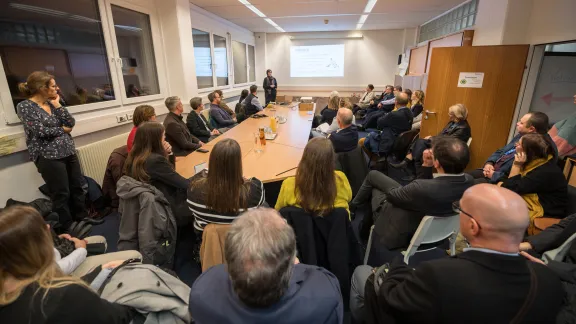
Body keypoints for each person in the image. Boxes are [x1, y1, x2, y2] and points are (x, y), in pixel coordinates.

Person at [350, 184, 564, 324]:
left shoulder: (438, 274)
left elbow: (393, 300)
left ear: (473, 226)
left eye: (460, 209)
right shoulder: (549, 281)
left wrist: (396, 267)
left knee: (362, 273)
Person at [189, 208, 343, 324]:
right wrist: (295, 266)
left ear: (230, 262)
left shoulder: (202, 293)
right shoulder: (324, 293)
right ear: (292, 260)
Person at [0, 205, 134, 324]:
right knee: (134, 262)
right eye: (42, 227)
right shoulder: (64, 296)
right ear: (30, 249)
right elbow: (119, 317)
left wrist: (100, 270)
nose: (48, 226)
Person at [352, 136, 474, 248]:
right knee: (375, 177)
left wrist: (425, 165)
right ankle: (361, 222)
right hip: (438, 235)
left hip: (404, 230)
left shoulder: (421, 188)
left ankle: (362, 228)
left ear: (436, 163)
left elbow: (392, 196)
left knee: (374, 182)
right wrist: (426, 165)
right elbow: (420, 188)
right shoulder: (469, 182)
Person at [16, 71, 87, 230]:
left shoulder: (53, 102)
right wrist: (63, 130)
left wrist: (58, 105)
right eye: (53, 86)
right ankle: (68, 228)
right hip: (48, 156)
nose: (57, 88)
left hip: (68, 151)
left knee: (78, 186)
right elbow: (39, 131)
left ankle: (83, 218)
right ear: (42, 88)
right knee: (61, 193)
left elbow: (70, 122)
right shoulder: (25, 106)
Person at [187, 138, 266, 233]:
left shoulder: (193, 189)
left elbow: (198, 176)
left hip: (207, 244)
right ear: (238, 164)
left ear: (212, 161)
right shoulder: (254, 191)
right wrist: (244, 180)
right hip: (243, 243)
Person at [124, 122, 191, 225]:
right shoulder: (155, 160)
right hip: (169, 206)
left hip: (152, 204)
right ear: (155, 140)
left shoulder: (136, 156)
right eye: (163, 136)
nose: (165, 139)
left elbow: (169, 172)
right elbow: (183, 183)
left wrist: (169, 154)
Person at [500, 133, 568, 233]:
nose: (515, 145)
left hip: (544, 212)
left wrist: (516, 165)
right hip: (529, 201)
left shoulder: (544, 171)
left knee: (498, 210)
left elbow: (510, 190)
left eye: (519, 144)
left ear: (528, 151)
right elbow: (505, 178)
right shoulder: (532, 163)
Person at [468, 112, 555, 184]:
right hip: (491, 171)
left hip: (502, 181)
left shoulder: (541, 147)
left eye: (521, 123)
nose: (517, 123)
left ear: (531, 129)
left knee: (465, 186)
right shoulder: (522, 135)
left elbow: (522, 177)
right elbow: (502, 150)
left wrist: (494, 175)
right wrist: (489, 163)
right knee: (462, 178)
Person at [275, 137, 352, 215]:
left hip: (301, 226)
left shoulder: (289, 184)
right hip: (336, 225)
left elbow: (278, 210)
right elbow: (349, 198)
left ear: (304, 158)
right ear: (331, 159)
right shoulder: (341, 179)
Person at [392, 103, 471, 179]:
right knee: (420, 146)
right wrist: (432, 137)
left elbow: (449, 141)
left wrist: (431, 139)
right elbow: (442, 135)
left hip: (449, 149)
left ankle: (408, 163)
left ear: (457, 115)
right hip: (441, 143)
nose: (448, 115)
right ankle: (414, 173)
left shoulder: (463, 128)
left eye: (451, 114)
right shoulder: (452, 123)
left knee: (420, 144)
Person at [359, 92, 414, 161]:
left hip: (389, 142)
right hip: (401, 143)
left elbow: (379, 123)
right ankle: (378, 159)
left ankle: (376, 158)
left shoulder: (394, 114)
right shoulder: (410, 113)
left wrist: (386, 115)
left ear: (396, 102)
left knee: (362, 141)